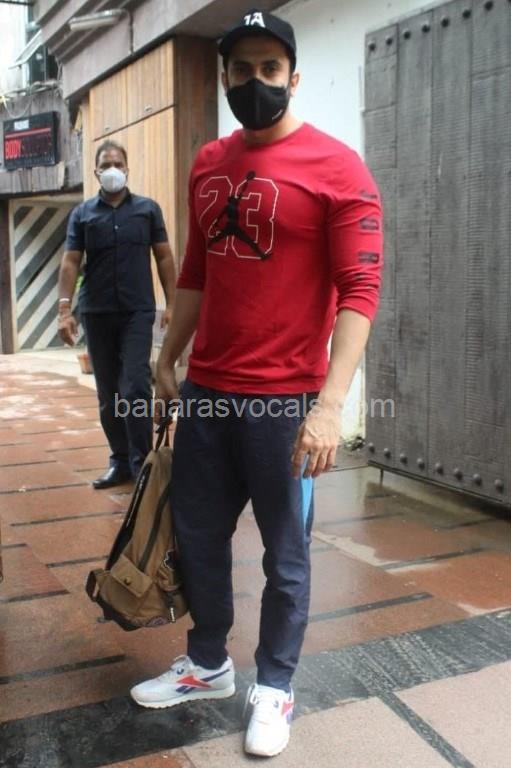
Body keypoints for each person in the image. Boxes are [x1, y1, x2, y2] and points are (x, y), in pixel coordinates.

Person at [130, 9, 383, 758]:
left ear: (293, 77)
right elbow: (196, 272)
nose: (255, 82)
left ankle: (274, 684)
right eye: (241, 70)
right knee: (197, 537)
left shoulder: (338, 167)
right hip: (208, 393)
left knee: (285, 555)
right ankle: (208, 662)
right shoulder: (209, 162)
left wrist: (329, 406)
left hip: (286, 403)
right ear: (224, 77)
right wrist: (167, 357)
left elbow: (360, 291)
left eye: (269, 69)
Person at [58, 140, 176, 488]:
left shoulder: (147, 210)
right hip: (96, 312)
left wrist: (172, 304)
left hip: (137, 312)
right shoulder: (82, 215)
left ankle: (142, 465)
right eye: (106, 164)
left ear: (127, 169)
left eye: (118, 164)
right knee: (108, 394)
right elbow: (71, 261)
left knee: (135, 387)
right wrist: (64, 309)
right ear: (96, 172)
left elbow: (164, 256)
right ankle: (120, 461)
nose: (112, 170)